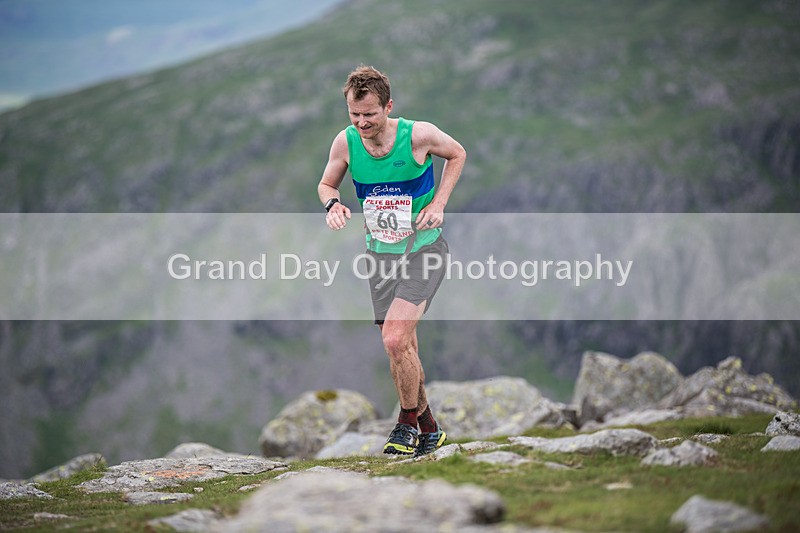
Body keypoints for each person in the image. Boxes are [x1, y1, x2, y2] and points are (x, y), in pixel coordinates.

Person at [317, 65, 466, 456]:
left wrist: (439, 203)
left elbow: (457, 154)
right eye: (354, 114)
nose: (362, 122)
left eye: (370, 113)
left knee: (394, 338)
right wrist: (333, 204)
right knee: (403, 347)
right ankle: (430, 429)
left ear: (388, 107)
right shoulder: (346, 143)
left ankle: (405, 425)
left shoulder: (417, 135)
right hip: (380, 256)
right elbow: (327, 183)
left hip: (424, 250)